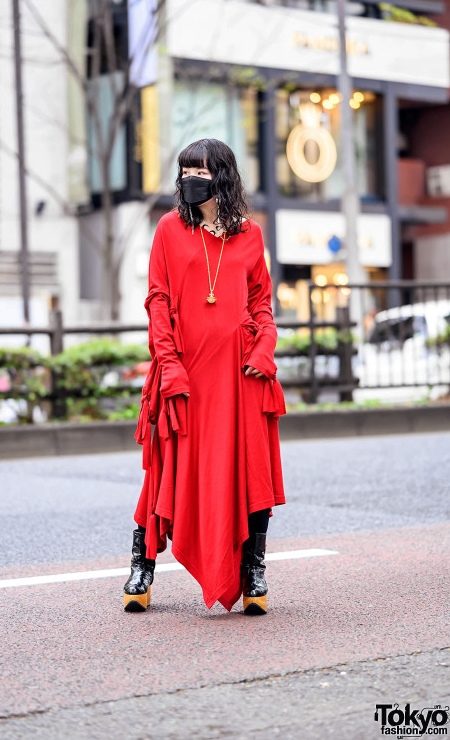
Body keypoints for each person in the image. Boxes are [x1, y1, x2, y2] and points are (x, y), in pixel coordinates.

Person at [124, 138, 286, 615]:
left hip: (239, 376)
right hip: (186, 372)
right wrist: (168, 363)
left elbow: (260, 303)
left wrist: (264, 347)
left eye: (200, 169)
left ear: (224, 175)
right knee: (166, 472)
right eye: (185, 170)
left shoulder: (250, 235)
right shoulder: (170, 229)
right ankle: (141, 567)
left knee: (248, 470)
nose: (191, 178)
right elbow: (157, 301)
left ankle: (253, 571)